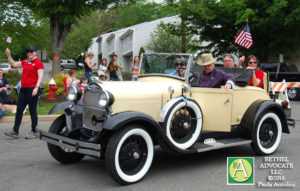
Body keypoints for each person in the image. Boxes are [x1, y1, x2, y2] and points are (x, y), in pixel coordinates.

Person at [5, 46, 44, 139]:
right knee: (19, 110)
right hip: (23, 89)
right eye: (28, 52)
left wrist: (36, 87)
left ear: (36, 52)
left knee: (32, 110)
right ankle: (15, 131)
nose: (30, 53)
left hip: (32, 89)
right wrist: (8, 55)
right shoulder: (25, 62)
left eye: (32, 51)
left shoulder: (38, 63)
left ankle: (34, 131)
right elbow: (13, 64)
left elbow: (41, 76)